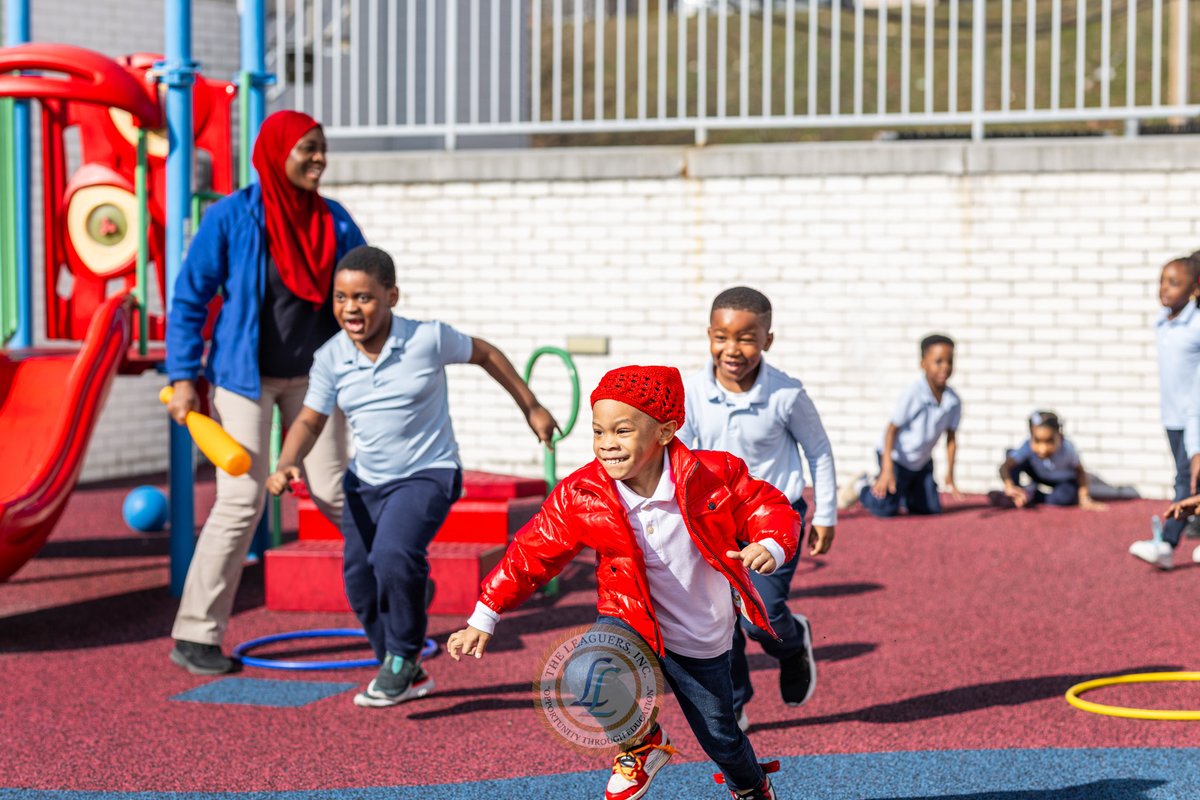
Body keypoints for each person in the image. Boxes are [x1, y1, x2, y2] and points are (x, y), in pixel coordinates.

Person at [447, 365, 799, 800]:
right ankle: (642, 743)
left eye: (622, 430)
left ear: (665, 431)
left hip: (700, 635)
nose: (607, 443)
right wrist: (485, 615)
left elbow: (766, 505)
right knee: (583, 669)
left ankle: (751, 785)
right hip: (629, 615)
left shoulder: (714, 474)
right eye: (598, 431)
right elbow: (532, 552)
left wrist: (772, 543)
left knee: (722, 739)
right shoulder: (583, 493)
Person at [264, 245, 557, 707]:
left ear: (391, 296)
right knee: (361, 583)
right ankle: (405, 665)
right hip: (365, 483)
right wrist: (286, 462)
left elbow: (487, 354)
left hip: (429, 471)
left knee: (393, 554)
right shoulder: (331, 356)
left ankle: (401, 655)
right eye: (341, 298)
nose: (350, 308)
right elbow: (309, 420)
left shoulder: (427, 338)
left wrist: (532, 406)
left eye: (363, 297)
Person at [164, 110, 366, 675]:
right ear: (277, 153)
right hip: (244, 378)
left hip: (316, 380)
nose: (319, 158)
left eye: (323, 148)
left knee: (334, 493)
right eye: (308, 148)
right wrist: (182, 376)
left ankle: (396, 604)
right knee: (242, 499)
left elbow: (366, 288)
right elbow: (189, 299)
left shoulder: (335, 221)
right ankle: (196, 635)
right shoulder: (231, 218)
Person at [677, 287, 834, 732]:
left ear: (768, 339)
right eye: (722, 336)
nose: (733, 349)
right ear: (709, 335)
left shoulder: (786, 394)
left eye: (747, 338)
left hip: (773, 519)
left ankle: (791, 641)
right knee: (719, 619)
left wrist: (825, 515)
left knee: (760, 617)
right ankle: (736, 703)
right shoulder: (690, 392)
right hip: (716, 523)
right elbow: (681, 458)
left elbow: (818, 451)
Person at [838, 334, 961, 517]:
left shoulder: (953, 401)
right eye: (938, 361)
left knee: (929, 509)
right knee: (885, 509)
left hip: (921, 462)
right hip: (896, 458)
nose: (945, 367)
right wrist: (887, 470)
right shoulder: (914, 394)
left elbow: (951, 438)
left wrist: (949, 473)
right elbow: (891, 430)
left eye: (949, 361)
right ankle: (861, 486)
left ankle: (906, 491)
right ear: (923, 364)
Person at [1129, 256, 1200, 569]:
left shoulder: (1197, 325)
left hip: (1194, 417)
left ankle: (1166, 545)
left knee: (1186, 481)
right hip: (1172, 418)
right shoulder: (1163, 320)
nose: (1164, 289)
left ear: (1194, 289)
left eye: (1174, 283)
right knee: (1190, 480)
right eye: (1162, 281)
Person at [990, 411, 1106, 511]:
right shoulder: (1027, 446)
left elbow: (1080, 472)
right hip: (1038, 474)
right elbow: (1004, 467)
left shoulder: (1068, 449)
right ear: (1031, 437)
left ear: (1060, 437)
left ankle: (1030, 495)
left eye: (1049, 441)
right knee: (1011, 455)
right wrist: (1009, 486)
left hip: (1061, 480)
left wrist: (1084, 498)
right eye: (1037, 441)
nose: (1043, 449)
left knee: (1066, 497)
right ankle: (1015, 495)